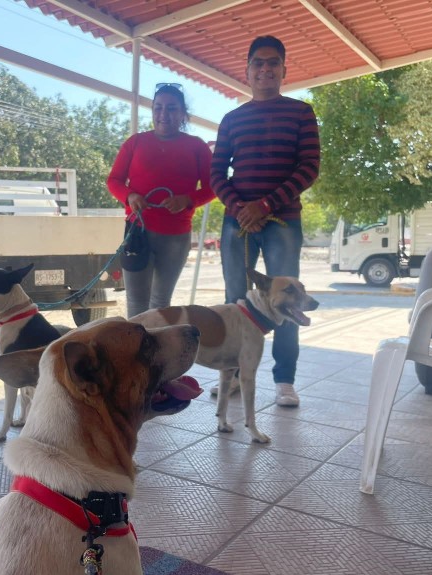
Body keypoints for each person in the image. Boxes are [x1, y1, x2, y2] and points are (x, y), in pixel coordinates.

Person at [210, 36, 320, 407]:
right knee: (235, 302)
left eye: (273, 63)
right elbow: (215, 173)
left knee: (289, 302)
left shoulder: (301, 113)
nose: (265, 69)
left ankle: (284, 380)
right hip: (236, 223)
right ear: (248, 70)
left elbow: (309, 168)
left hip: (283, 222)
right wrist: (241, 208)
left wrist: (266, 204)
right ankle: (234, 376)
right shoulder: (231, 119)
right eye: (258, 63)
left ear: (284, 70)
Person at [107, 83, 215, 318]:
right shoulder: (135, 143)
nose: (163, 114)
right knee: (136, 302)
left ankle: (156, 352)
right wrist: (130, 196)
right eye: (158, 108)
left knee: (160, 303)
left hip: (176, 237)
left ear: (182, 113)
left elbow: (213, 187)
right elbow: (113, 181)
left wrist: (188, 200)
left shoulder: (197, 146)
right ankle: (134, 353)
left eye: (171, 108)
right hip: (138, 233)